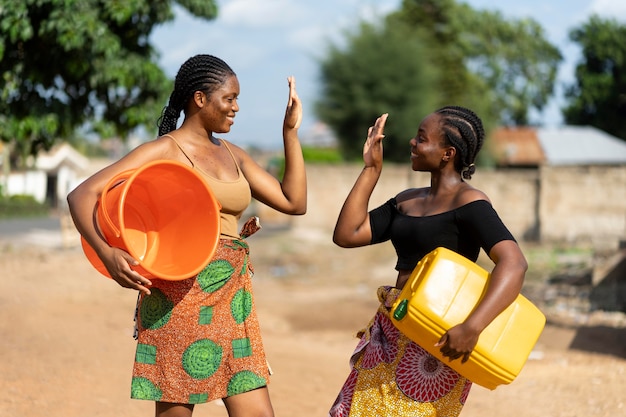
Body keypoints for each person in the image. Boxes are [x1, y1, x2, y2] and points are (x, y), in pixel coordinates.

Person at [67, 54, 306, 417]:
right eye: (229, 98)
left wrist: (289, 133)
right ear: (199, 99)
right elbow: (82, 195)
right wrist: (106, 253)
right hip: (178, 297)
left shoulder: (234, 155)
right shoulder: (165, 150)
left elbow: (293, 202)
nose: (236, 108)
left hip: (232, 298)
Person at [328, 107, 527, 416]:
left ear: (448, 153)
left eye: (421, 139)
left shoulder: (471, 203)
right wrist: (371, 170)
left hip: (439, 338)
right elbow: (347, 234)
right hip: (394, 328)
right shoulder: (407, 200)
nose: (412, 143)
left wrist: (471, 328)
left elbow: (513, 264)